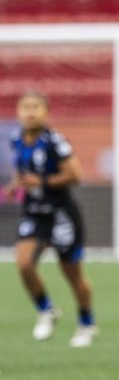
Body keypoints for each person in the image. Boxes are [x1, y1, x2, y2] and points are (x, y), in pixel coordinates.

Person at [2, 91, 97, 347]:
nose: (30, 112)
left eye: (36, 107)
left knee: (72, 273)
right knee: (23, 264)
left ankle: (87, 323)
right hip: (34, 211)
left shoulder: (55, 141)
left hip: (61, 213)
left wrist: (41, 181)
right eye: (25, 107)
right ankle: (47, 310)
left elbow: (75, 175)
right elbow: (23, 172)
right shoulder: (16, 139)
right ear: (18, 112)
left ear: (46, 112)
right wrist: (15, 185)